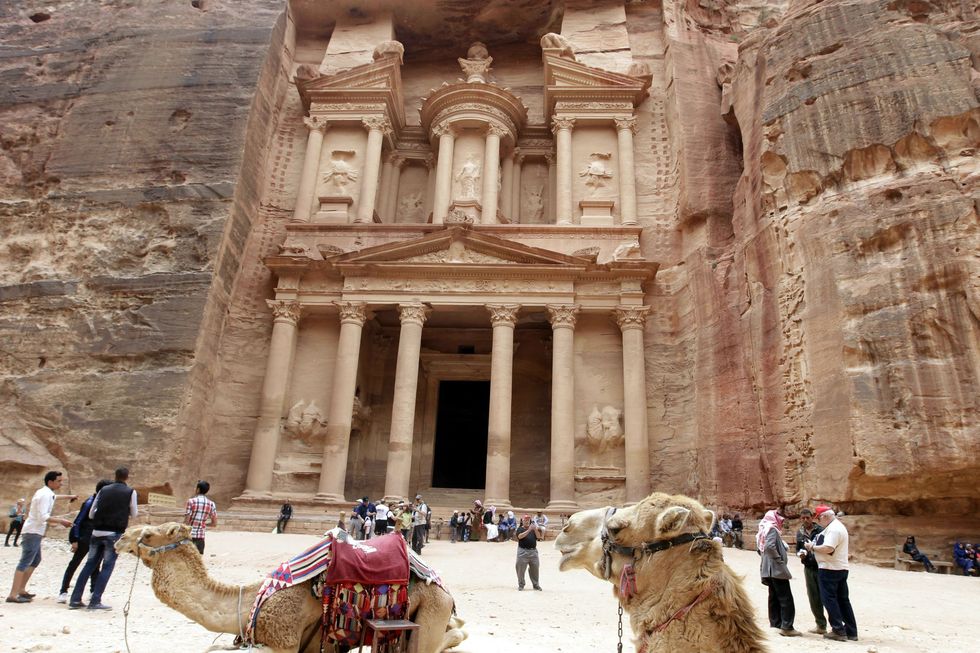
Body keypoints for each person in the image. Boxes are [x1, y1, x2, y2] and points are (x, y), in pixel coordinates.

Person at [69, 467, 137, 610]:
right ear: (127, 477)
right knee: (107, 566)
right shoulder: (130, 492)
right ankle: (95, 601)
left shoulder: (103, 490)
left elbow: (91, 514)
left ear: (115, 475)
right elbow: (134, 513)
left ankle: (75, 600)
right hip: (114, 533)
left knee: (89, 565)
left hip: (96, 532)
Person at [6, 470, 77, 604]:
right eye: (59, 481)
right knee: (25, 561)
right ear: (50, 482)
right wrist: (62, 521)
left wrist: (70, 496)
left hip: (34, 531)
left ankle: (21, 589)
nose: (61, 483)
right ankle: (13, 594)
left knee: (35, 560)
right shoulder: (45, 495)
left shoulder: (46, 493)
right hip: (33, 531)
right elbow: (43, 516)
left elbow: (54, 497)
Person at [805, 505, 858, 642]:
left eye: (819, 518)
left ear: (825, 516)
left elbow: (829, 548)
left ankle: (838, 630)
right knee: (843, 600)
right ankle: (851, 631)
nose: (818, 521)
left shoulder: (833, 529)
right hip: (839, 567)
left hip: (830, 569)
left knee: (829, 599)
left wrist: (812, 547)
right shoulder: (837, 527)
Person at [58, 480, 111, 603]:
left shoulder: (102, 503)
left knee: (95, 566)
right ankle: (63, 591)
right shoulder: (89, 503)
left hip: (95, 538)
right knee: (74, 564)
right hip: (84, 538)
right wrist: (74, 539)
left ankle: (92, 591)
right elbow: (78, 521)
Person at [758, 510, 801, 637]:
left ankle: (776, 623)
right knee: (785, 598)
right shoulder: (771, 529)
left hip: (769, 569)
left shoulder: (763, 530)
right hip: (776, 569)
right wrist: (779, 561)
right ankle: (787, 626)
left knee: (774, 596)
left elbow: (760, 549)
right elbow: (770, 547)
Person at [795, 508, 828, 634]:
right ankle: (821, 625)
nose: (805, 520)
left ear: (812, 517)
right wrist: (800, 554)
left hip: (822, 566)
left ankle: (837, 625)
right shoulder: (800, 533)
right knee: (813, 596)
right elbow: (798, 548)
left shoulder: (820, 530)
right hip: (808, 568)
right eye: (803, 518)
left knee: (826, 595)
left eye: (807, 518)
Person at [184, 480, 218, 554]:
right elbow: (214, 524)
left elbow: (186, 522)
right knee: (198, 562)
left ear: (198, 489)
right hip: (200, 537)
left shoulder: (191, 501)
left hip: (189, 536)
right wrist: (203, 524)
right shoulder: (211, 504)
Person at [515, 514, 542, 591]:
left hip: (533, 551)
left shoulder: (533, 529)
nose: (527, 521)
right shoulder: (520, 529)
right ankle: (521, 585)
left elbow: (539, 537)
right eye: (525, 520)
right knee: (520, 569)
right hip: (523, 552)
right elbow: (520, 536)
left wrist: (535, 529)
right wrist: (529, 530)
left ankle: (536, 585)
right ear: (522, 521)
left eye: (528, 520)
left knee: (535, 569)